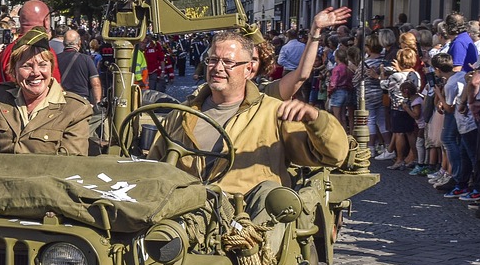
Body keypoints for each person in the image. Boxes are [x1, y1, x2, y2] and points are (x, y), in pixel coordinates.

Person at [149, 28, 350, 194]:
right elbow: (153, 167)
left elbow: (333, 155)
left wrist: (316, 119)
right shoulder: (182, 114)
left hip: (249, 226)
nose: (217, 68)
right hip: (184, 217)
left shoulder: (273, 113)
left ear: (248, 69)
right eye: (212, 60)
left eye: (228, 62)